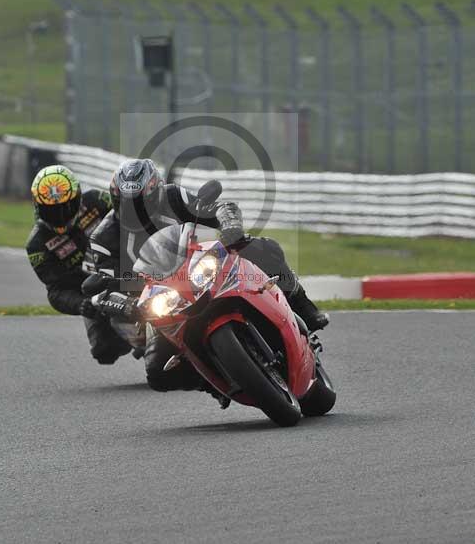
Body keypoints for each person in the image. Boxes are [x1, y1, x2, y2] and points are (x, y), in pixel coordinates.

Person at [88, 158, 329, 392]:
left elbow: (220, 208)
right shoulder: (103, 238)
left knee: (266, 248)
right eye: (126, 204)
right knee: (158, 374)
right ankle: (214, 383)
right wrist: (128, 305)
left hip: (200, 265)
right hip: (161, 300)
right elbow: (104, 288)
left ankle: (303, 305)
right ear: (114, 200)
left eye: (141, 204)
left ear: (157, 193)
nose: (135, 212)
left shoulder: (174, 197)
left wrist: (230, 227)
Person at [26, 164, 132, 365]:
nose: (60, 215)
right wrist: (81, 304)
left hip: (126, 266)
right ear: (38, 207)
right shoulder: (37, 245)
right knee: (105, 351)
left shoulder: (97, 201)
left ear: (77, 197)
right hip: (94, 293)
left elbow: (128, 218)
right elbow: (56, 291)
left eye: (66, 207)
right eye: (52, 210)